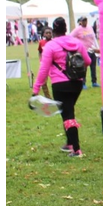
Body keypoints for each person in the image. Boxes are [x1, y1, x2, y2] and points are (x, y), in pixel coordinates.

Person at [32, 17, 92, 157]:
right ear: (66, 29)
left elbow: (43, 69)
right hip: (77, 83)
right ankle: (69, 143)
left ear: (53, 31)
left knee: (68, 114)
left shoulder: (51, 46)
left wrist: (36, 89)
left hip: (60, 84)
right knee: (67, 110)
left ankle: (76, 149)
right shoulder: (76, 43)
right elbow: (88, 61)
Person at [70, 16, 100, 88]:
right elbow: (70, 37)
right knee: (84, 67)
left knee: (93, 67)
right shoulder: (77, 29)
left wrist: (97, 47)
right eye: (83, 21)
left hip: (92, 49)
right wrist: (76, 45)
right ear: (80, 22)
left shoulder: (90, 28)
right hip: (84, 51)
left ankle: (94, 82)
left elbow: (94, 38)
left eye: (85, 21)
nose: (84, 22)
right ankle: (83, 83)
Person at [37, 27, 53, 98]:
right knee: (43, 82)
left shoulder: (54, 42)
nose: (48, 34)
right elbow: (40, 52)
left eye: (50, 33)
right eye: (47, 33)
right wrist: (40, 60)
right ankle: (48, 97)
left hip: (53, 65)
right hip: (45, 65)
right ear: (44, 34)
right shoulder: (41, 42)